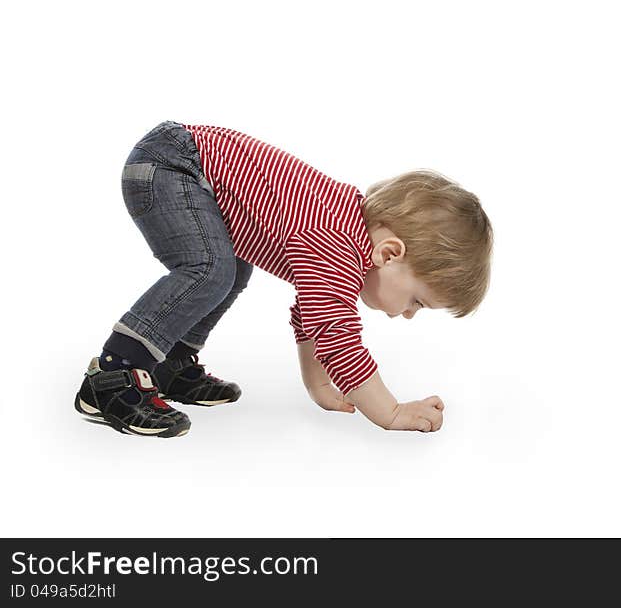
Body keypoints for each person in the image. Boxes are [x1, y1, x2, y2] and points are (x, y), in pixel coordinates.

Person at [74, 120, 493, 437]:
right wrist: (391, 411)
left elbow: (314, 314)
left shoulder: (344, 236)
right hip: (171, 164)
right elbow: (336, 333)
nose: (407, 315)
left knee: (232, 269)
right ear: (389, 253)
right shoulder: (336, 240)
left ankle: (167, 363)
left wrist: (319, 385)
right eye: (417, 301)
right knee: (210, 268)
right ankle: (113, 376)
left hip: (184, 166)